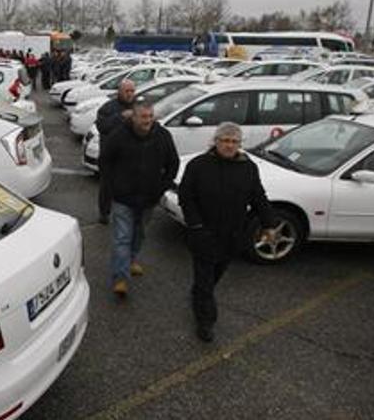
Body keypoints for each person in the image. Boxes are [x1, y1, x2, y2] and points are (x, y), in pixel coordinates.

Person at [178, 122, 277, 342]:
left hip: (232, 236)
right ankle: (206, 322)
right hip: (203, 234)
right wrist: (195, 225)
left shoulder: (248, 168)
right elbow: (186, 196)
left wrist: (269, 224)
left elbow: (258, 197)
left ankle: (199, 297)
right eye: (225, 141)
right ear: (216, 141)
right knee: (204, 279)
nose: (229, 145)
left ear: (239, 144)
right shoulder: (198, 165)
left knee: (214, 276)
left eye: (234, 142)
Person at [99, 100, 178, 298]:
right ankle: (121, 278)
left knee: (139, 234)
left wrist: (162, 187)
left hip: (148, 199)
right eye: (143, 117)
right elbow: (105, 161)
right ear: (133, 117)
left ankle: (131, 259)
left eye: (151, 116)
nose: (148, 121)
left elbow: (173, 163)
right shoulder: (119, 135)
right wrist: (111, 186)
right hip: (123, 199)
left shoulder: (163, 136)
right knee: (122, 237)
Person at [95, 80, 136, 224]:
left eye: (132, 91)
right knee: (107, 186)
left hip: (129, 156)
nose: (130, 94)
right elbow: (102, 126)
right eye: (127, 91)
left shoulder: (137, 106)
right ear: (119, 91)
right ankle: (104, 213)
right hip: (110, 156)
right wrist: (121, 117)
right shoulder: (108, 108)